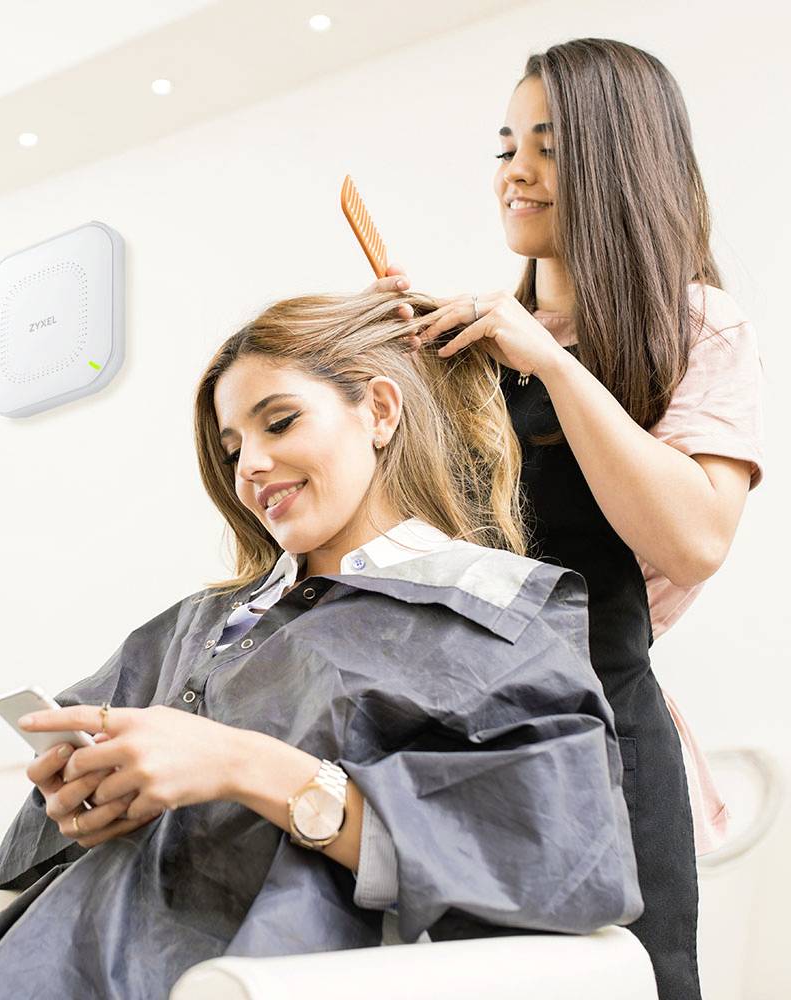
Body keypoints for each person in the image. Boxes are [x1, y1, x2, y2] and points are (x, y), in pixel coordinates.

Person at [0, 291, 642, 1000]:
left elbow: (567, 860)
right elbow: (51, 825)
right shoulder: (196, 621)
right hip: (59, 958)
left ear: (379, 410)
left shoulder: (492, 615)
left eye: (279, 423)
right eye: (232, 448)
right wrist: (79, 798)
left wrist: (244, 765)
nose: (249, 465)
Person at [372, 38, 764, 1000]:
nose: (516, 170)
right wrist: (385, 395)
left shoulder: (699, 326)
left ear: (621, 157)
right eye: (505, 145)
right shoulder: (458, 357)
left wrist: (550, 361)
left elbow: (696, 539)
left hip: (607, 747)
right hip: (458, 756)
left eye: (548, 144)